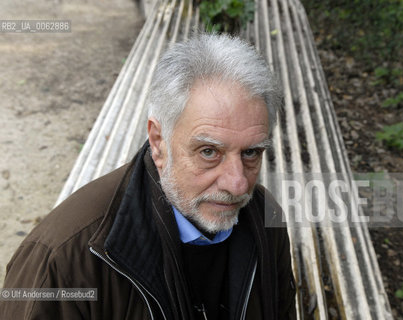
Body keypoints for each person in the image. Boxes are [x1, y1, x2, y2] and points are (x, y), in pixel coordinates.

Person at [0, 33, 296, 319]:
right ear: (158, 141)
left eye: (251, 153)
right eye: (209, 152)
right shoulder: (64, 259)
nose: (238, 184)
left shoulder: (264, 217)